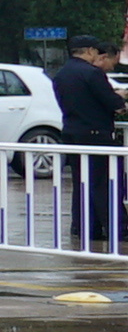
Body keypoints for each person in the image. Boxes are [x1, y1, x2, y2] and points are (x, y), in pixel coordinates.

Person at [50, 37, 121, 251]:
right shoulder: (92, 73)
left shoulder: (61, 74)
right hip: (96, 134)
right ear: (89, 51)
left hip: (72, 132)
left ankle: (83, 227)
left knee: (81, 182)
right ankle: (116, 228)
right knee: (103, 182)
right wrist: (120, 100)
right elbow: (113, 103)